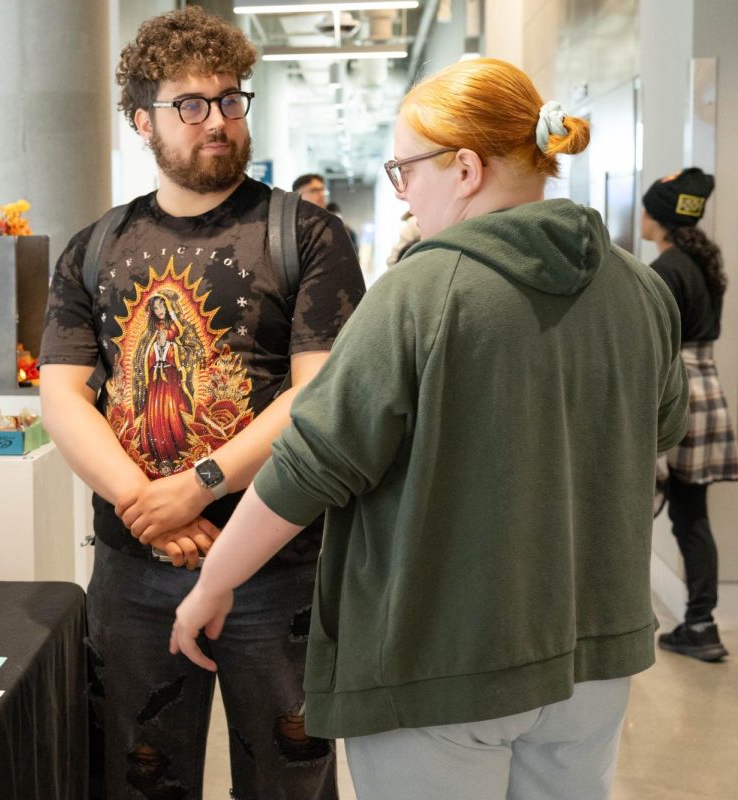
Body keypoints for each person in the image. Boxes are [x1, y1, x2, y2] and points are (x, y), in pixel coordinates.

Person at [171, 57, 688, 800]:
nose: (404, 190)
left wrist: (211, 585)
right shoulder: (639, 288)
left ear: (467, 168)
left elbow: (310, 464)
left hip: (438, 662)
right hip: (594, 653)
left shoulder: (422, 290)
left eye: (405, 169)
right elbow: (656, 429)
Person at [38, 7, 363, 799]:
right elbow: (63, 395)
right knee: (137, 776)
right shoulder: (95, 248)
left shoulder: (308, 235)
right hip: (134, 569)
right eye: (190, 104)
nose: (216, 120)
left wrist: (200, 484)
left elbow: (316, 393)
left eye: (229, 99)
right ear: (142, 120)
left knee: (289, 777)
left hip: (278, 564)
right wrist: (144, 502)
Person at [642, 167, 735, 662]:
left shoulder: (665, 270)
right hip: (706, 387)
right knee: (691, 515)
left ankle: (697, 622)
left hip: (678, 391)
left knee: (676, 514)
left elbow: (655, 346)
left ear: (655, 217)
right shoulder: (702, 264)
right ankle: (702, 620)